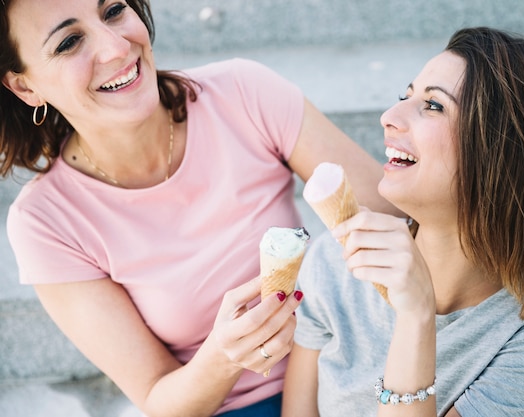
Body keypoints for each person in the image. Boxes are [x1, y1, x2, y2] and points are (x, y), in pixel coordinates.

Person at [0, 0, 403, 416]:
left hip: (353, 363)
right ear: (25, 86)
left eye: (114, 10)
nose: (117, 48)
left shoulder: (243, 93)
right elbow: (160, 400)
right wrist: (224, 355)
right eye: (68, 42)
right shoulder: (45, 222)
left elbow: (400, 224)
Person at [283, 27, 524, 417]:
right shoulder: (334, 261)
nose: (388, 117)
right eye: (405, 96)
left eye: (433, 105)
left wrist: (415, 316)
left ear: (506, 155)